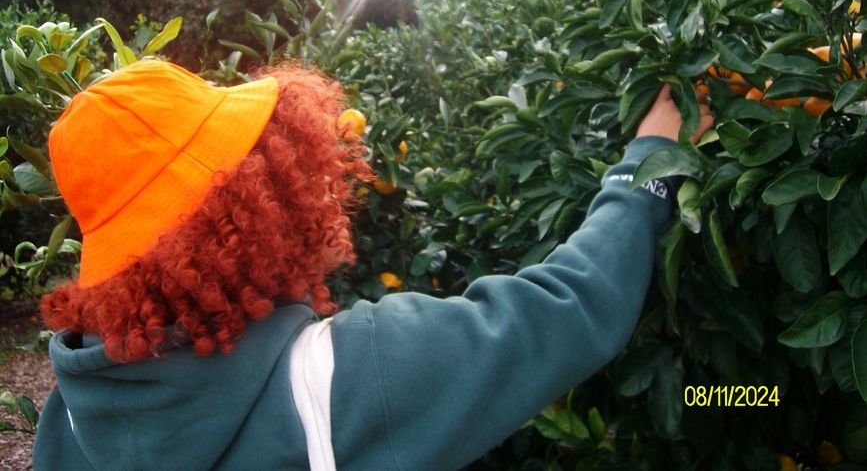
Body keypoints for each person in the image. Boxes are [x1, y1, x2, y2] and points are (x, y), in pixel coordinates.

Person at [33, 59, 713, 471]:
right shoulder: (351, 378)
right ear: (267, 194)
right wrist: (645, 167)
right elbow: (568, 309)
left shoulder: (69, 421)